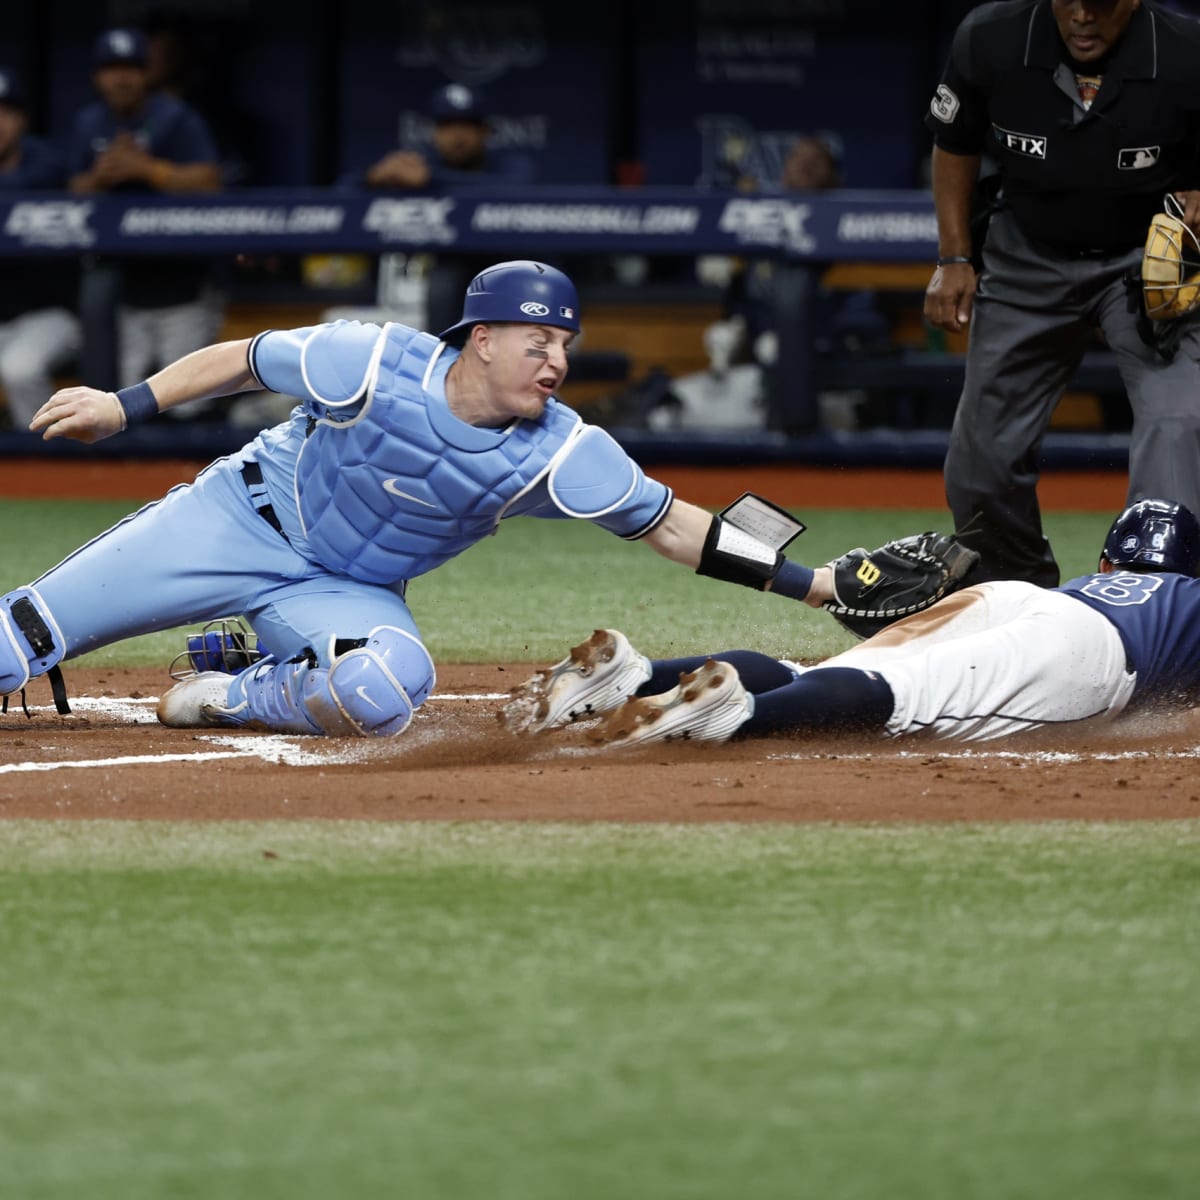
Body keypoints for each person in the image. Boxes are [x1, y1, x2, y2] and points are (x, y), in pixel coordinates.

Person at [6, 260, 828, 737]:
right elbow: (242, 358)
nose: (556, 362)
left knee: (385, 691)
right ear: (482, 339)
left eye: (565, 346)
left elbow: (678, 526)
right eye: (538, 341)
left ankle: (231, 691)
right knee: (21, 638)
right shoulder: (370, 362)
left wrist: (816, 585)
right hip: (234, 521)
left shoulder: (563, 452)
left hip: (344, 592)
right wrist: (124, 405)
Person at [505, 498, 1200, 748]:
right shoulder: (1190, 599)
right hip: (1089, 652)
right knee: (909, 698)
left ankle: (638, 675)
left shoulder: (1102, 583)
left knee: (830, 676)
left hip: (1021, 598)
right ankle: (734, 718)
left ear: (1111, 560)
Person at [923, 0, 1200, 588]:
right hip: (1026, 257)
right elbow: (955, 145)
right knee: (979, 465)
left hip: (1146, 267)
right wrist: (953, 258)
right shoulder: (992, 36)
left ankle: (1156, 599)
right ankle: (1017, 594)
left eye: (1098, 3)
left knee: (1180, 428)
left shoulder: (1184, 49)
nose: (1081, 16)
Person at [66, 27, 224, 414]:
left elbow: (210, 181)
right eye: (112, 68)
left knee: (188, 406)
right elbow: (72, 189)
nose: (122, 78)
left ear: (147, 74)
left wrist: (149, 169)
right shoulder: (88, 123)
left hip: (182, 279)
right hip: (126, 287)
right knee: (123, 401)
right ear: (97, 77)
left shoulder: (176, 118)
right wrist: (99, 179)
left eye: (132, 68)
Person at [687, 133, 888, 433]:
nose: (805, 167)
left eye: (816, 162)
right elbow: (742, 302)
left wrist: (815, 341)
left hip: (830, 372)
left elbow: (863, 319)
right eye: (798, 160)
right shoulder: (759, 224)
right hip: (758, 374)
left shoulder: (849, 224)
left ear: (834, 177)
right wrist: (737, 324)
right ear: (783, 171)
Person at [343, 82, 538, 336]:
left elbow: (516, 187)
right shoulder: (421, 162)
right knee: (446, 278)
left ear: (486, 131)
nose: (457, 135)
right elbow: (342, 193)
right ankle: (443, 363)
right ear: (434, 132)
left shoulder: (509, 164)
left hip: (504, 264)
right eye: (447, 125)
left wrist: (431, 180)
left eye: (467, 125)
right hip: (445, 264)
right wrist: (374, 178)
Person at [0, 67, 82, 429]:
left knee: (19, 370)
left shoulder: (48, 164)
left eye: (6, 112)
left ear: (22, 120)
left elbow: (27, 187)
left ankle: (40, 458)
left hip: (51, 314)